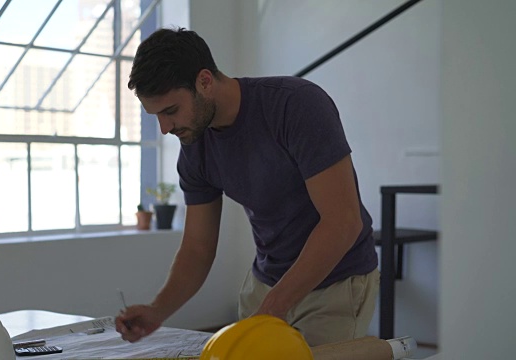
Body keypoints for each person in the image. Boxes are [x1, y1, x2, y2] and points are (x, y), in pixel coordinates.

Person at [115, 27, 379, 347]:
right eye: (156, 115)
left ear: (205, 81)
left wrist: (273, 308)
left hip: (336, 282)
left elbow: (343, 222)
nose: (166, 127)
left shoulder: (296, 105)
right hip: (265, 283)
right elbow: (198, 248)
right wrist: (159, 310)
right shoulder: (195, 148)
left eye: (171, 111)